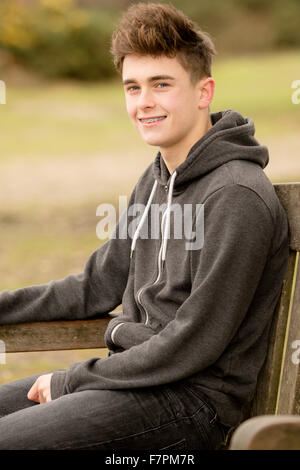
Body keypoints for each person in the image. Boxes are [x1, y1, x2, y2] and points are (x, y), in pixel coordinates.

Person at [0, 2, 289, 450]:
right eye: (132, 87)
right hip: (133, 380)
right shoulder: (155, 179)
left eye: (161, 84)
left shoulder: (236, 194)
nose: (144, 102)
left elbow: (194, 341)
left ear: (203, 91)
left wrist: (75, 379)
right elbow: (94, 288)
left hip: (192, 402)